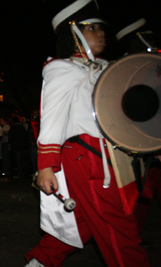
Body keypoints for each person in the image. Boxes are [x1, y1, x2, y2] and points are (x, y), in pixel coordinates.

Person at [24, 1, 149, 266]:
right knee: (118, 228)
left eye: (101, 27)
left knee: (83, 221)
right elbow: (52, 119)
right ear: (74, 33)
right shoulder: (62, 69)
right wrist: (46, 166)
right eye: (92, 28)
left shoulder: (109, 69)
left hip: (112, 157)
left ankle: (39, 262)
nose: (101, 33)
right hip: (87, 158)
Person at [115, 17, 161, 236]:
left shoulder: (150, 64)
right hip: (142, 144)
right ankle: (133, 235)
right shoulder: (129, 70)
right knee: (141, 194)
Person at [0, 116, 11, 180]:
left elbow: (8, 132)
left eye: (1, 120)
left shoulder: (7, 127)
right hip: (3, 143)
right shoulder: (2, 127)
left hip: (5, 143)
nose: (0, 122)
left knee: (6, 157)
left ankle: (6, 170)